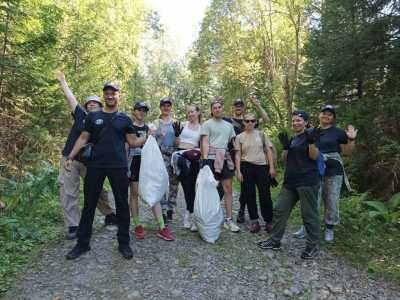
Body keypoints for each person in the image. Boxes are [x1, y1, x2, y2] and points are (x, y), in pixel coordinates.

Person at [64, 82, 145, 260]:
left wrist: (147, 137)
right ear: (104, 96)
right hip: (95, 166)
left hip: (118, 166)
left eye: (113, 93)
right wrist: (70, 157)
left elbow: (132, 142)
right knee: (89, 205)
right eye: (107, 93)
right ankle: (82, 244)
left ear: (118, 96)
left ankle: (124, 243)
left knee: (122, 205)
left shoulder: (125, 119)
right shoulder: (93, 117)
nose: (110, 96)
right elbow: (83, 137)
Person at [57, 72, 116, 240]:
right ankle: (73, 225)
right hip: (71, 159)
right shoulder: (80, 116)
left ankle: (109, 214)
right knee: (68, 191)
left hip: (91, 162)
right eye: (89, 103)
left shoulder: (105, 121)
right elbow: (70, 98)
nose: (91, 105)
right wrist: (63, 81)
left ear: (100, 105)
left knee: (98, 190)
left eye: (95, 103)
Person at [257, 110, 321, 260]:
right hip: (290, 182)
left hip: (307, 182)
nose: (295, 123)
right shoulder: (294, 139)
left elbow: (314, 156)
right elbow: (285, 160)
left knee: (309, 215)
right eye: (293, 121)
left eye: (299, 120)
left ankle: (313, 247)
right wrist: (286, 147)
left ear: (305, 122)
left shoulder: (312, 136)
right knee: (279, 209)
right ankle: (274, 241)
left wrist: (311, 142)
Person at [292, 105, 357, 242]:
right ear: (319, 115)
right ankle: (306, 227)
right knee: (312, 200)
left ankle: (329, 229)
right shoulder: (311, 131)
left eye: (330, 114)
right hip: (314, 169)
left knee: (331, 199)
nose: (326, 116)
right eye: (324, 113)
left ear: (333, 118)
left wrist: (351, 139)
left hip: (334, 170)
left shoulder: (338, 132)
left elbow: (347, 152)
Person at [128, 101, 175, 241]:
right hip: (134, 163)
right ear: (134, 111)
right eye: (139, 110)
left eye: (144, 110)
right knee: (134, 194)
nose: (141, 112)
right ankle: (137, 225)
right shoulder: (129, 127)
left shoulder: (150, 128)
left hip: (148, 164)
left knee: (155, 192)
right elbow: (129, 144)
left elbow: (157, 146)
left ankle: (162, 227)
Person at [223, 95, 271, 224]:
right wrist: (220, 102)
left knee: (246, 187)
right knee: (226, 185)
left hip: (247, 157)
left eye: (241, 106)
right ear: (233, 107)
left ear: (244, 107)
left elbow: (266, 119)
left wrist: (257, 105)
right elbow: (215, 118)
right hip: (230, 155)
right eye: (236, 106)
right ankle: (218, 211)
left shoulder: (250, 120)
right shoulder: (227, 120)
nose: (238, 108)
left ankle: (241, 211)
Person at [200, 100, 240, 232]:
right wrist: (205, 160)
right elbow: (205, 142)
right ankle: (205, 218)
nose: (217, 109)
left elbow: (233, 144)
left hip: (225, 158)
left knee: (228, 189)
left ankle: (228, 220)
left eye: (219, 107)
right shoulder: (207, 124)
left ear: (222, 109)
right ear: (211, 111)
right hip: (211, 158)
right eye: (214, 108)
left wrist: (238, 159)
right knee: (209, 188)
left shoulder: (229, 126)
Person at [234, 113, 276, 233]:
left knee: (265, 194)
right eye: (247, 121)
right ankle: (254, 221)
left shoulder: (262, 134)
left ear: (255, 122)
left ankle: (269, 221)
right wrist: (238, 171)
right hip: (246, 167)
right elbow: (237, 155)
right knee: (249, 194)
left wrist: (271, 167)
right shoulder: (240, 137)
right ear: (243, 122)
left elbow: (268, 151)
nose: (250, 123)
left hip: (262, 167)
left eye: (252, 121)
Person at [173, 105, 202, 230]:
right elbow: (176, 144)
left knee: (193, 188)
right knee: (186, 188)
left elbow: (203, 145)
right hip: (180, 158)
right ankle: (188, 215)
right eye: (188, 112)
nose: (190, 114)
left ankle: (193, 217)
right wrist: (177, 136)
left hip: (194, 159)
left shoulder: (202, 128)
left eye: (192, 111)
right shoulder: (182, 125)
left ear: (198, 112)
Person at [154, 97, 180, 223]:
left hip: (173, 154)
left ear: (171, 107)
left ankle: (171, 208)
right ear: (160, 107)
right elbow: (151, 141)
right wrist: (159, 135)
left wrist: (177, 135)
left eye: (168, 105)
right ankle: (163, 209)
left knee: (174, 183)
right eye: (163, 105)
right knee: (162, 182)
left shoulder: (175, 123)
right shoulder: (155, 123)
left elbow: (177, 142)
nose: (166, 107)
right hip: (160, 154)